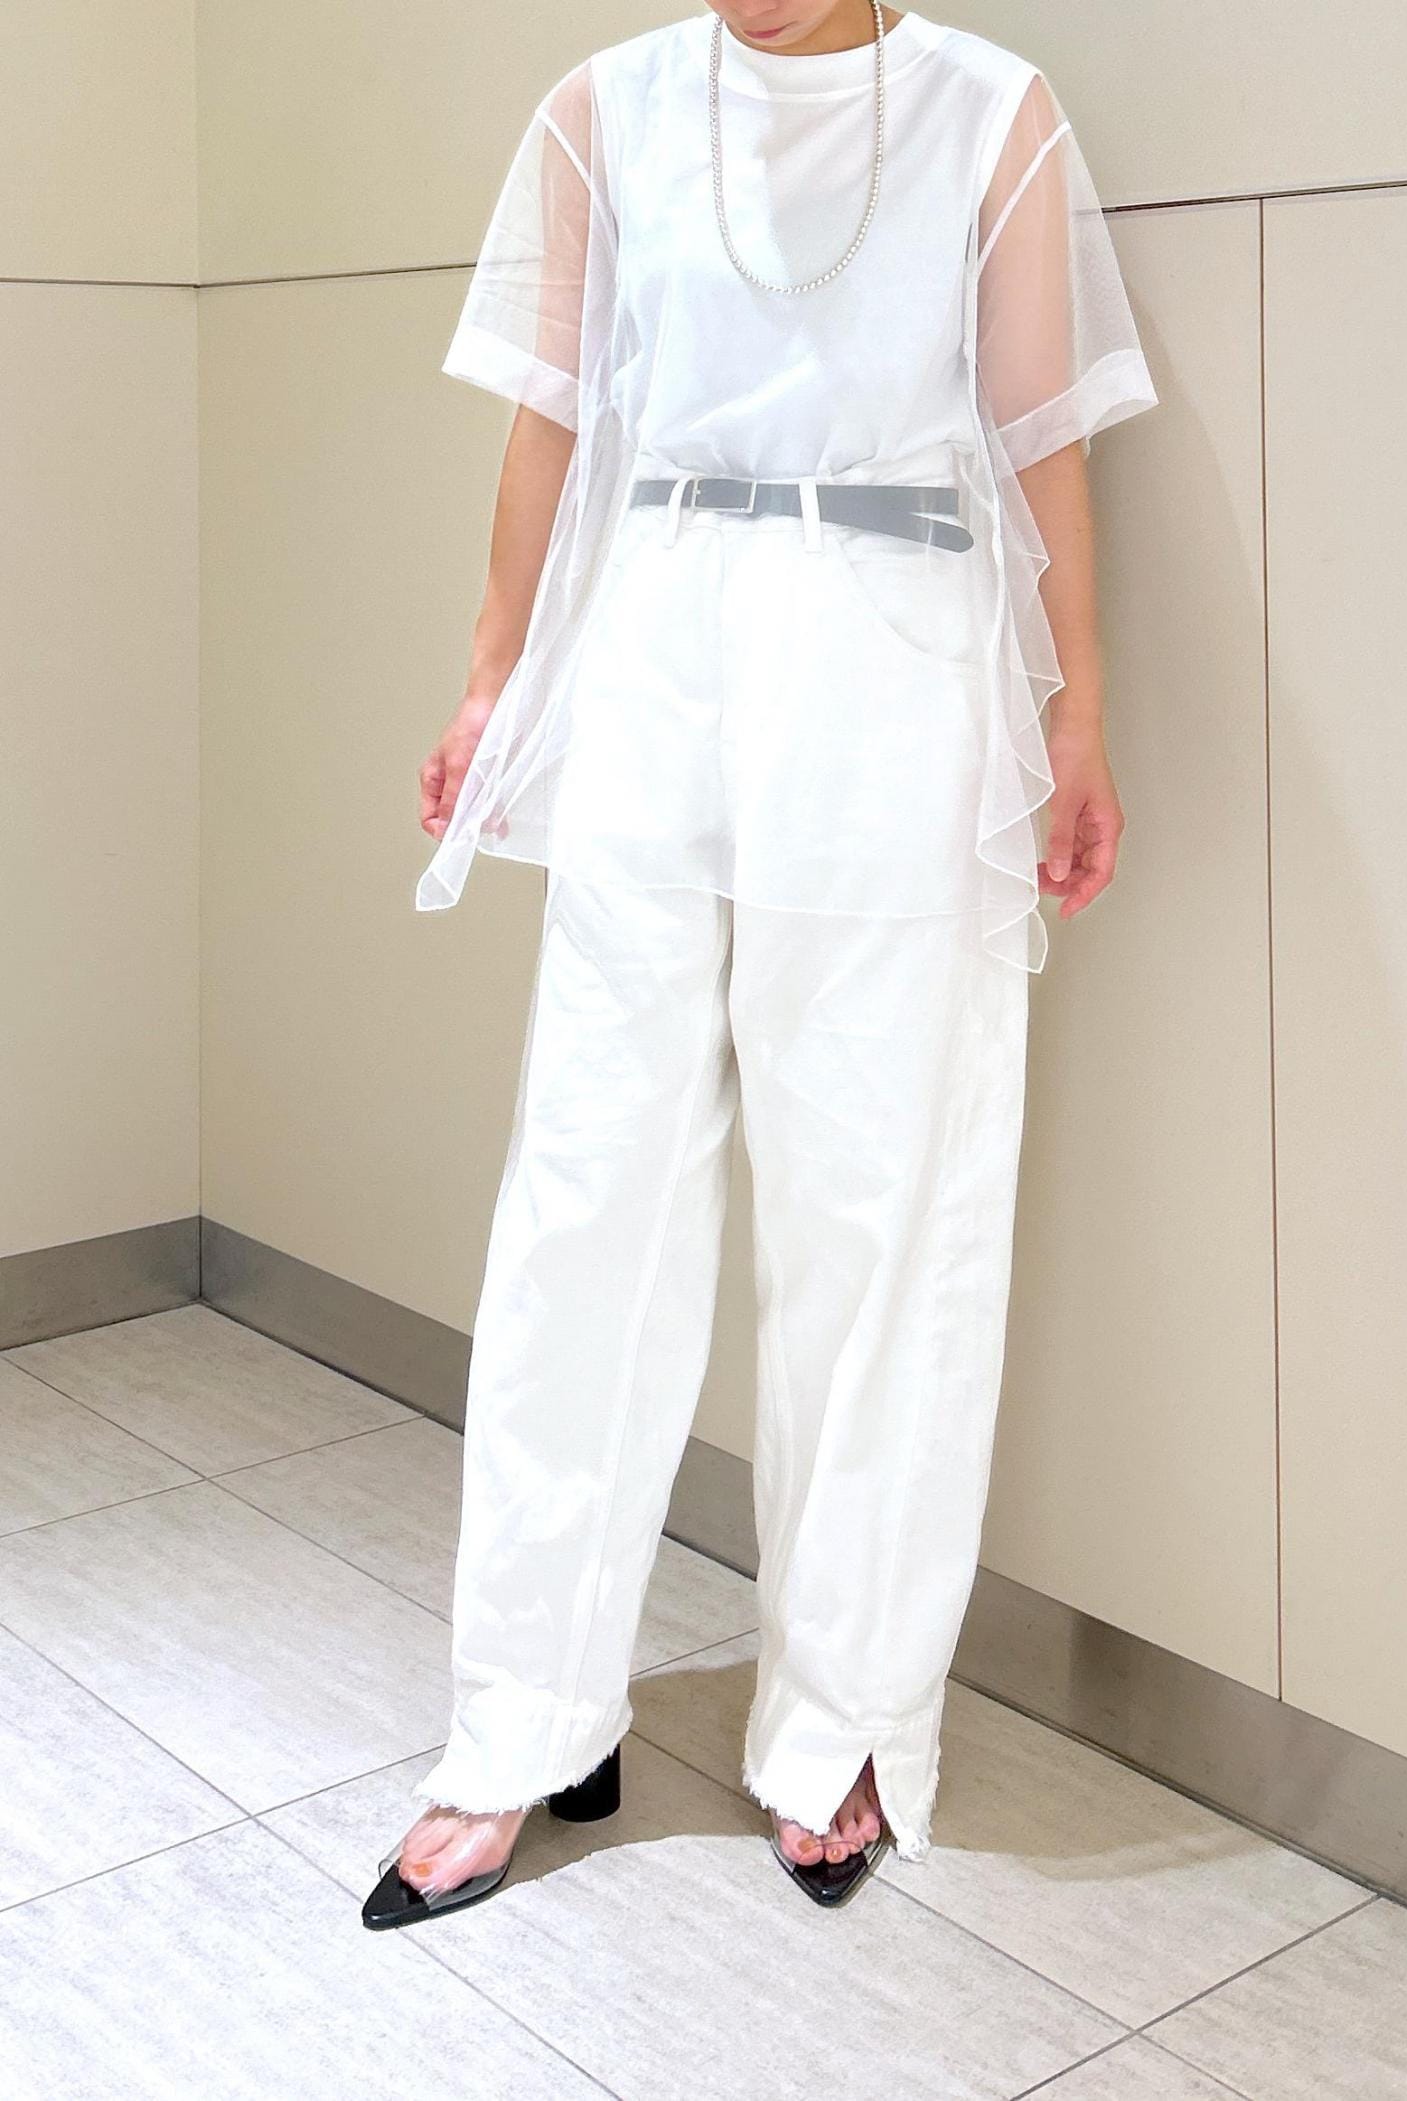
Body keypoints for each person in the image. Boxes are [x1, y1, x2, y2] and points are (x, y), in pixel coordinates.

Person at [362, 0, 1156, 1927]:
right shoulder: (606, 107)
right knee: (588, 1190)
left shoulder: (989, 115)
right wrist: (490, 675)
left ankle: (845, 1724)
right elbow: (552, 416)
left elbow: (1040, 441)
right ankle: (525, 1716)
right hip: (658, 653)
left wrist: (1078, 714)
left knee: (877, 1208)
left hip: (898, 668)